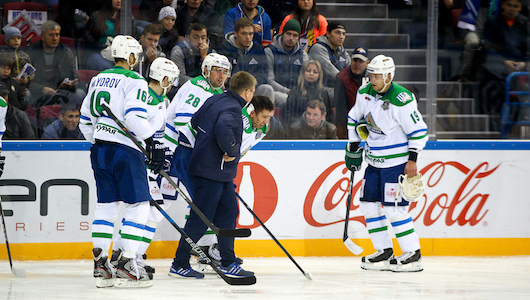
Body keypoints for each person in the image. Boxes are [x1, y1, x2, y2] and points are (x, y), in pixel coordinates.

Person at [79, 35, 166, 288]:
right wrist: (152, 141)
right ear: (129, 57)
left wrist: (98, 139)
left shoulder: (96, 79)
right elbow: (134, 116)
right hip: (126, 151)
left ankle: (101, 267)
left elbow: (85, 120)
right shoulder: (135, 79)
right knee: (138, 205)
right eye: (136, 56)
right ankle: (127, 264)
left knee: (106, 206)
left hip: (100, 149)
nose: (137, 61)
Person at [170, 94, 274, 273]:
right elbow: (221, 137)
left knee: (229, 212)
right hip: (209, 171)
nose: (266, 122)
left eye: (269, 118)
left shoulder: (255, 125)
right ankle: (180, 263)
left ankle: (228, 261)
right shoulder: (236, 118)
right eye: (264, 117)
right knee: (201, 217)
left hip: (223, 174)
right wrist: (230, 150)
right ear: (252, 112)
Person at [345, 54, 427, 272]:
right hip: (373, 162)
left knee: (394, 209)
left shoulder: (403, 99)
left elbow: (419, 132)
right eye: (371, 75)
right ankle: (384, 250)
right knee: (369, 206)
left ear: (389, 76)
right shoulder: (365, 93)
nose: (372, 79)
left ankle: (412, 254)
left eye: (377, 76)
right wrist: (354, 145)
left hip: (396, 165)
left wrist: (413, 159)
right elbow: (354, 117)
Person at [110, 57, 180, 276]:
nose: (174, 84)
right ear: (165, 78)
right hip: (137, 162)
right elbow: (135, 127)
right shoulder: (143, 96)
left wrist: (162, 154)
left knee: (148, 211)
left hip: (148, 163)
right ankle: (131, 256)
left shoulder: (161, 99)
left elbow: (158, 133)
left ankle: (123, 253)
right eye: (173, 79)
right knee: (148, 211)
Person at [478, 0, 528, 116]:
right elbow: (488, 47)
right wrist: (504, 62)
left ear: (520, 8)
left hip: (520, 64)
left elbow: (527, 48)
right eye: (509, 5)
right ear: (503, 6)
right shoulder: (492, 22)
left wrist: (524, 63)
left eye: (515, 6)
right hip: (497, 63)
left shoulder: (525, 23)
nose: (512, 9)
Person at [218, 18, 275, 105]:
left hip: (252, 90)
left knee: (267, 88)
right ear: (236, 33)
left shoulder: (258, 50)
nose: (248, 37)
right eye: (244, 33)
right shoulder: (224, 49)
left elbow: (263, 74)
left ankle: (265, 117)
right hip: (231, 91)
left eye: (250, 34)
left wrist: (250, 88)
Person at [26, 21, 81, 105]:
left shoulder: (66, 52)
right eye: (51, 35)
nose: (55, 38)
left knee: (79, 93)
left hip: (61, 91)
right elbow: (24, 80)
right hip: (38, 91)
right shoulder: (31, 52)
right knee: (25, 94)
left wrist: (70, 85)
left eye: (57, 35)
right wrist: (41, 89)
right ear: (43, 37)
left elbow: (75, 78)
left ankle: (73, 117)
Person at [265, 19, 308, 107]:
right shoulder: (270, 51)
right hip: (276, 92)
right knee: (286, 99)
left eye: (295, 35)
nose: (291, 38)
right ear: (282, 34)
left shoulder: (303, 54)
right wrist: (287, 91)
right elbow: (269, 80)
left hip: (297, 93)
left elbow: (305, 80)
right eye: (288, 34)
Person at [282, 60, 332, 126]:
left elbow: (328, 116)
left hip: (319, 129)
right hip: (298, 129)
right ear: (303, 73)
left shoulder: (323, 92)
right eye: (308, 71)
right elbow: (288, 116)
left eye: (315, 72)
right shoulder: (294, 91)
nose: (311, 74)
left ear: (319, 75)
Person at [335, 47, 370, 139]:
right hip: (348, 123)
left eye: (360, 61)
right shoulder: (341, 77)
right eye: (355, 60)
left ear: (367, 63)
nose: (357, 64)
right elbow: (340, 110)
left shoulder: (373, 78)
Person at [170, 23, 216, 87]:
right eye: (196, 38)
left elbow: (215, 77)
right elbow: (180, 78)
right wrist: (201, 85)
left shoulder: (212, 53)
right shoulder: (178, 51)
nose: (200, 41)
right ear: (188, 38)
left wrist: (204, 58)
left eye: (203, 38)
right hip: (185, 88)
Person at [308, 21, 350, 90]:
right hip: (319, 90)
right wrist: (348, 82)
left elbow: (350, 67)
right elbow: (330, 71)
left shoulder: (342, 50)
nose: (341, 37)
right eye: (337, 33)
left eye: (343, 34)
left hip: (337, 87)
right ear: (328, 34)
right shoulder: (318, 48)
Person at [1, 27, 34, 98]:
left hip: (23, 87)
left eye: (18, 38)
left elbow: (31, 71)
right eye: (13, 38)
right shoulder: (2, 55)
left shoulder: (25, 55)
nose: (16, 40)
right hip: (7, 85)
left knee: (27, 94)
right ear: (7, 41)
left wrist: (27, 80)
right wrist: (10, 79)